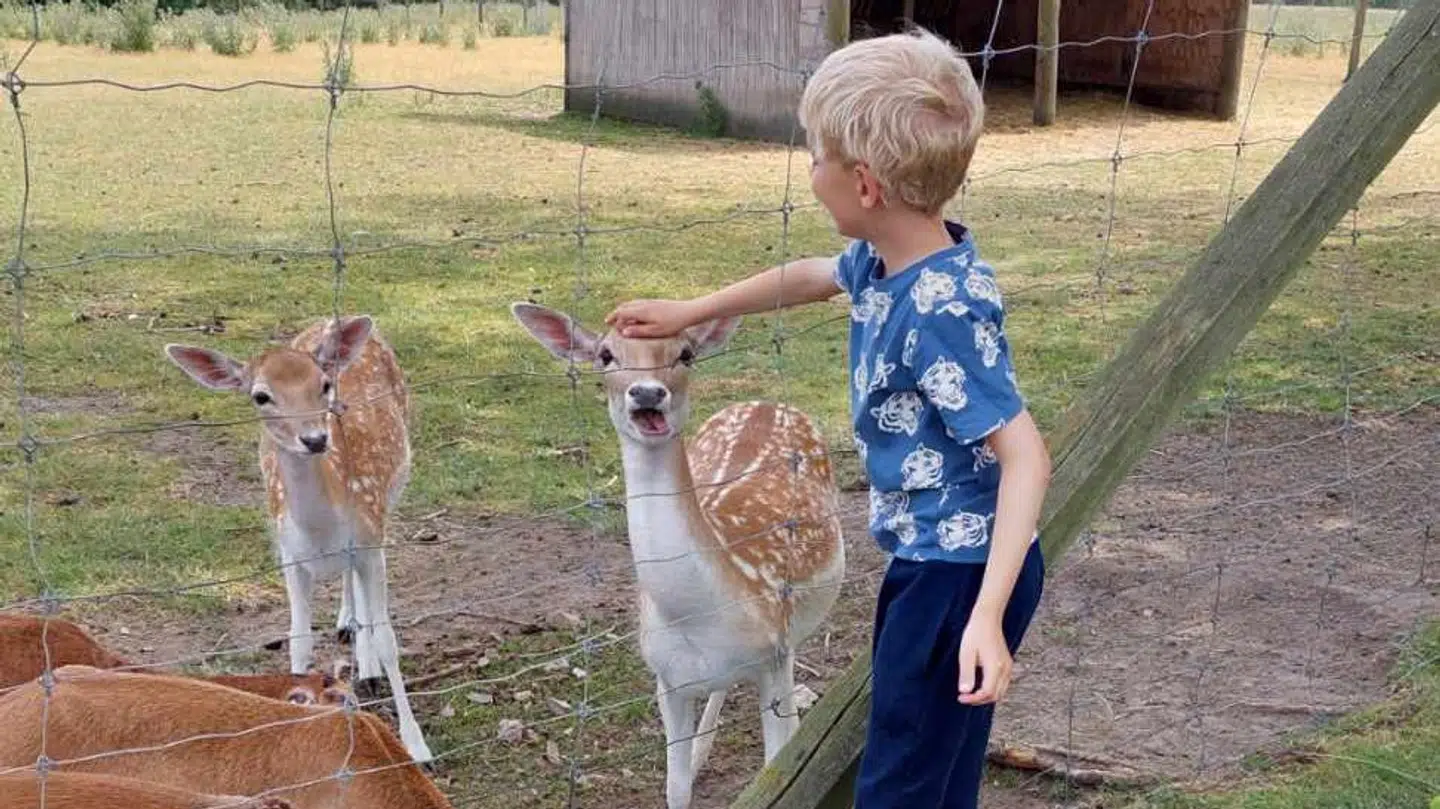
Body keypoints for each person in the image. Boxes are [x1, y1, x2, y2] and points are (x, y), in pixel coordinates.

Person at [604, 26, 1052, 809]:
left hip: (956, 577)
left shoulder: (936, 308)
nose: (810, 173)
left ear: (867, 185)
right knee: (935, 771)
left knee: (897, 783)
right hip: (934, 563)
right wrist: (694, 308)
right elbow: (816, 275)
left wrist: (982, 617)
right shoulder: (895, 258)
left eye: (817, 158)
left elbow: (1026, 458)